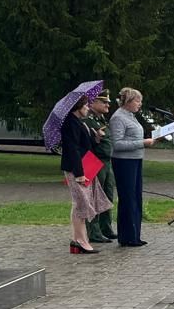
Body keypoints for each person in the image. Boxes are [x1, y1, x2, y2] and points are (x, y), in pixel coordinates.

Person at [61, 96, 110, 254]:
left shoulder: (78, 122)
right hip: (77, 168)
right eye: (85, 106)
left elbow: (84, 144)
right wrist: (79, 173)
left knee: (80, 203)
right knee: (81, 203)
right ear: (78, 107)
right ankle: (81, 240)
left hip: (86, 165)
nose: (88, 108)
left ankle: (77, 240)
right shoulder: (70, 123)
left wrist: (95, 137)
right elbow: (73, 150)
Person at [110, 87, 157, 247]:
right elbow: (117, 144)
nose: (140, 104)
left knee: (136, 197)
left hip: (136, 159)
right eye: (137, 100)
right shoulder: (118, 118)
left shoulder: (131, 116)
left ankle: (134, 234)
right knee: (128, 198)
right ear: (128, 101)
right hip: (124, 162)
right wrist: (143, 142)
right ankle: (127, 236)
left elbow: (132, 137)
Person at [84, 91, 117, 244]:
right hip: (94, 161)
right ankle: (94, 231)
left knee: (108, 195)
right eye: (103, 102)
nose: (107, 105)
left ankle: (106, 228)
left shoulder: (101, 119)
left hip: (107, 161)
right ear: (92, 103)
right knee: (96, 197)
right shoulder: (88, 120)